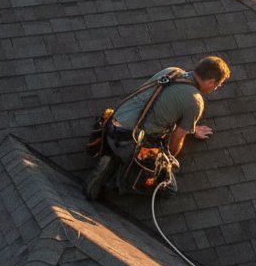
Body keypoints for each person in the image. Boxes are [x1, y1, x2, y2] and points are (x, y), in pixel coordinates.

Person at [85, 55, 230, 199]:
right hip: (128, 143)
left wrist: (190, 127)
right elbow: (177, 138)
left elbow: (158, 106)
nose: (215, 88)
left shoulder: (171, 72)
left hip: (111, 126)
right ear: (211, 82)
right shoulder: (195, 101)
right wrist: (168, 162)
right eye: (217, 85)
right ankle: (114, 180)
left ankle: (113, 155)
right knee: (169, 187)